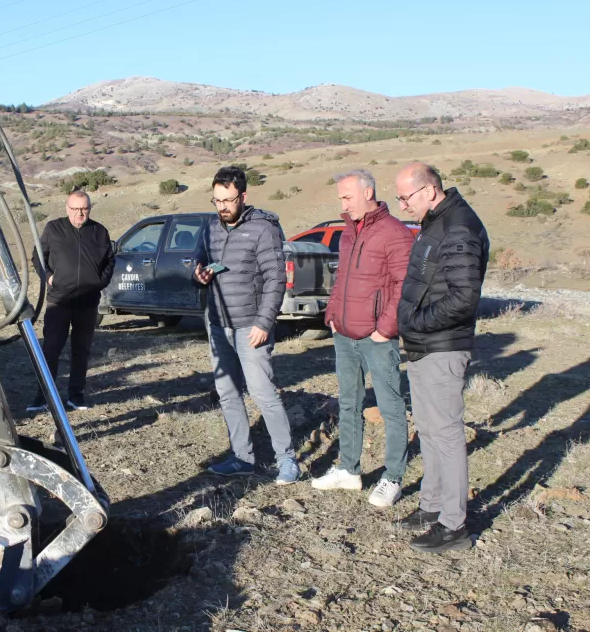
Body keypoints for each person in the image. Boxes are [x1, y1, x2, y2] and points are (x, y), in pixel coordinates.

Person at [394, 162, 489, 552]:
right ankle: (431, 507)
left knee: (446, 434)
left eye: (405, 198)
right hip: (424, 344)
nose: (402, 206)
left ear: (429, 191)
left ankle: (453, 525)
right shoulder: (436, 223)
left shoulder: (458, 227)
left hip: (442, 345)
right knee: (430, 430)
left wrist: (417, 323)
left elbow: (463, 297)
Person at [311, 170, 413, 507]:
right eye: (341, 198)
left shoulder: (395, 233)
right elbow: (342, 278)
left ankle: (392, 477)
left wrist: (386, 329)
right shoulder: (347, 233)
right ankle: (348, 470)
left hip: (377, 337)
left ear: (368, 193)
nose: (343, 204)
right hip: (344, 334)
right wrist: (332, 316)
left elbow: (404, 286)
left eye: (347, 197)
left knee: (390, 407)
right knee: (349, 403)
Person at [194, 166, 299, 486]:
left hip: (251, 326)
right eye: (217, 200)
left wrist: (264, 322)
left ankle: (287, 459)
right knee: (227, 393)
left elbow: (276, 279)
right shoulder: (209, 227)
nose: (222, 207)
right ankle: (241, 457)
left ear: (243, 196)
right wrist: (198, 274)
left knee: (262, 393)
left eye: (228, 200)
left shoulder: (263, 229)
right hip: (218, 324)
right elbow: (197, 261)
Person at [28, 190, 114, 412]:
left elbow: (110, 261)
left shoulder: (100, 232)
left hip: (88, 302)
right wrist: (49, 277)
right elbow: (38, 256)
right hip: (59, 301)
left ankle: (76, 396)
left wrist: (98, 282)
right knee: (51, 349)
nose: (80, 213)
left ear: (89, 209)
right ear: (67, 209)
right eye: (75, 209)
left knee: (81, 351)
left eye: (84, 209)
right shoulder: (54, 228)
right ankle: (43, 396)